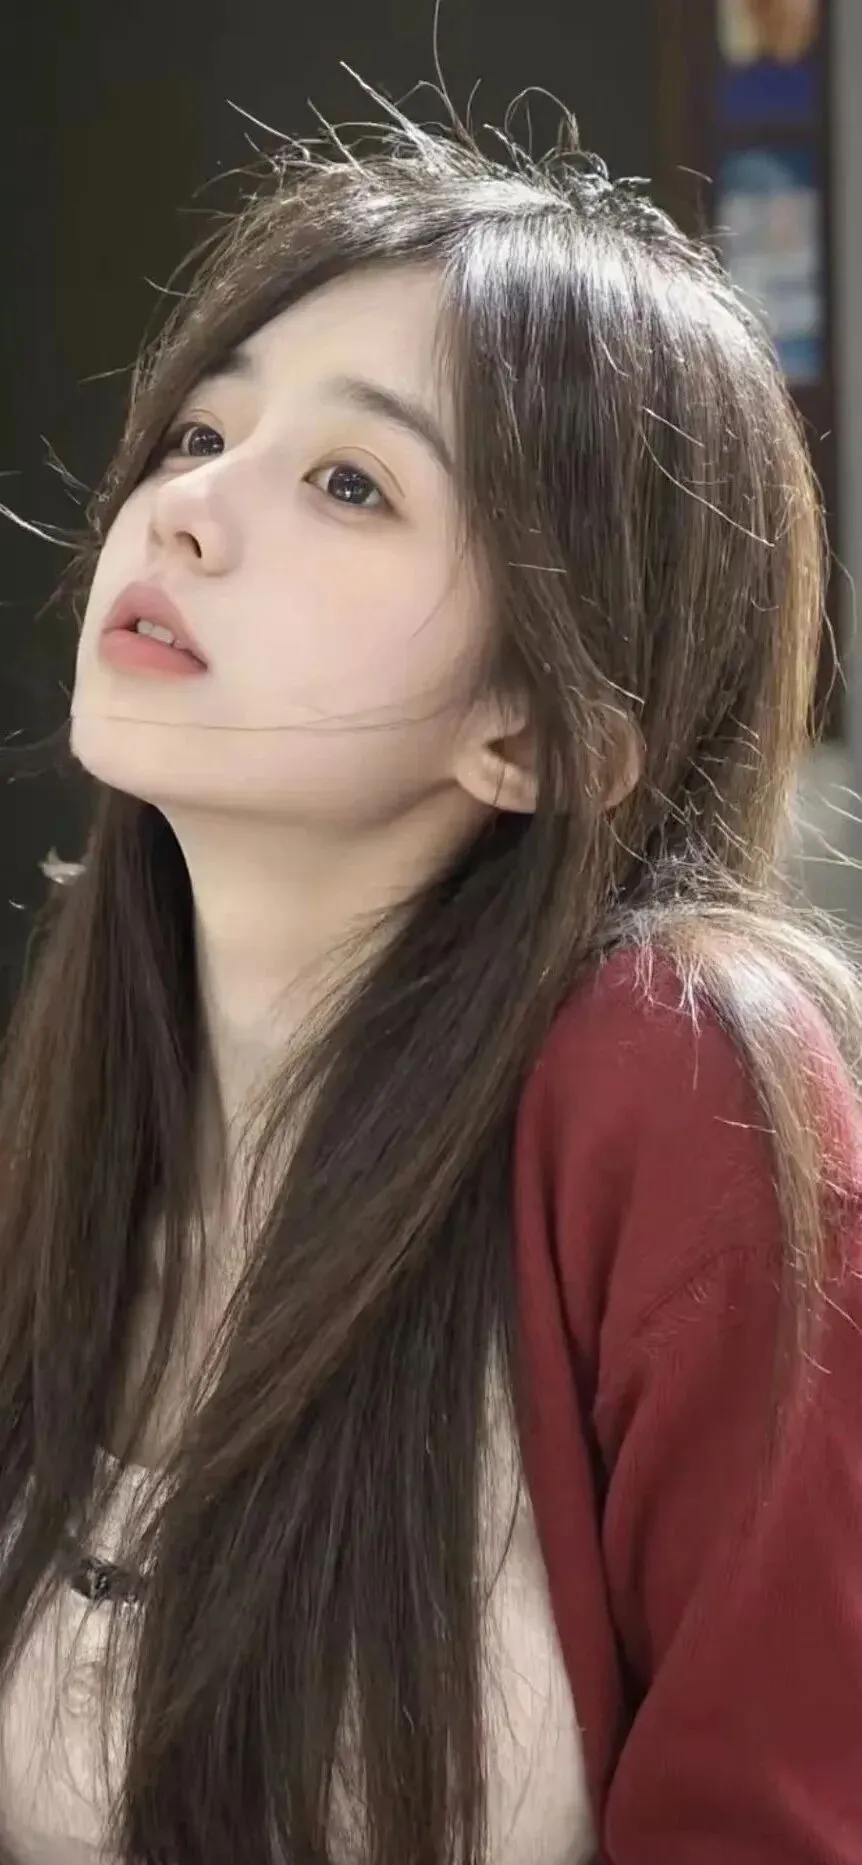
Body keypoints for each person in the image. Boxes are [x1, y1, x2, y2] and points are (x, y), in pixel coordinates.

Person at [0, 99, 860, 1865]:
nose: (185, 509)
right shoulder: (81, 1100)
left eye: (350, 483)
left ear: (535, 730)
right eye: (202, 430)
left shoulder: (686, 1089)